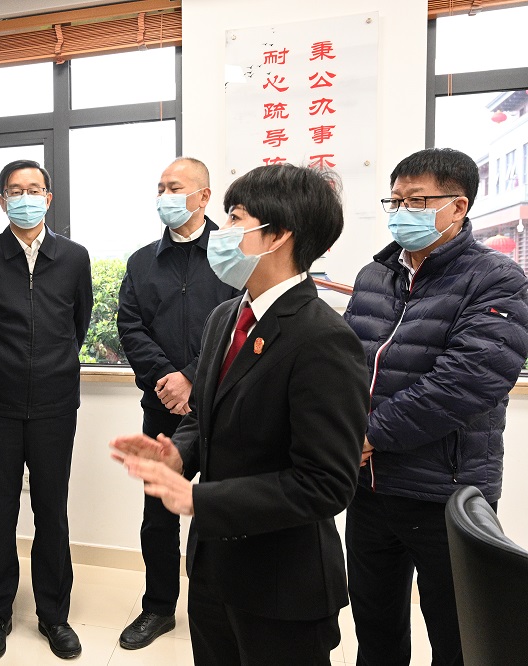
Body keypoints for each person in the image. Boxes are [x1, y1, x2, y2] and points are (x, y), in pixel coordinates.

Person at [111, 164, 370, 665]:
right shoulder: (226, 318)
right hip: (214, 570)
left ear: (279, 235)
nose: (222, 231)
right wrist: (177, 456)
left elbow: (326, 483)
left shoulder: (323, 339)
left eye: (235, 218)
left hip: (281, 585)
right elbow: (201, 415)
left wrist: (198, 499)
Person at [343, 147, 528, 666]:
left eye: (417, 200)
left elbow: (467, 381)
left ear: (458, 206)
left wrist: (371, 434)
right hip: (369, 486)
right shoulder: (375, 274)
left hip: (443, 490)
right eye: (395, 200)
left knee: (457, 635)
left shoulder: (497, 278)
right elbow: (349, 364)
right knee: (375, 627)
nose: (402, 211)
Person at [0, 159, 93, 661]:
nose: (25, 197)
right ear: (1, 201)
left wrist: (51, 363)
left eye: (34, 189)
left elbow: (79, 322)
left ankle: (54, 616)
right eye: (15, 190)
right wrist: (3, 360)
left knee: (51, 511)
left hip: (56, 404)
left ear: (48, 198)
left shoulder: (74, 258)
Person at [115, 157, 240, 649]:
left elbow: (242, 320)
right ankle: (158, 608)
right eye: (160, 187)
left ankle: (222, 605)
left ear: (204, 196)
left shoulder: (234, 253)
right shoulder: (141, 261)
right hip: (161, 406)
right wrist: (168, 380)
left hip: (225, 406)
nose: (165, 196)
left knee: (224, 507)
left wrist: (191, 377)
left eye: (175, 187)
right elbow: (131, 327)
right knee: (158, 515)